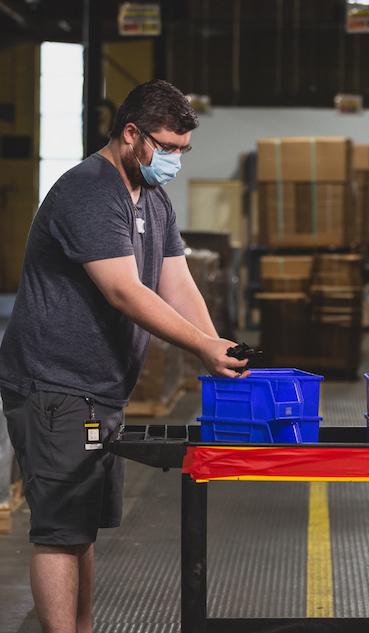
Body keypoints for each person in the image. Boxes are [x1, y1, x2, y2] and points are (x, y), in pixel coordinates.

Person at [0, 79, 247, 633]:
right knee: (60, 529)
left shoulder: (151, 199)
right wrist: (202, 346)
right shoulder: (90, 190)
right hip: (54, 385)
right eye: (167, 147)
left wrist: (218, 347)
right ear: (131, 133)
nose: (175, 160)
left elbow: (175, 281)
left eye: (184, 150)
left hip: (100, 389)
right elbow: (126, 291)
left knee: (79, 524)